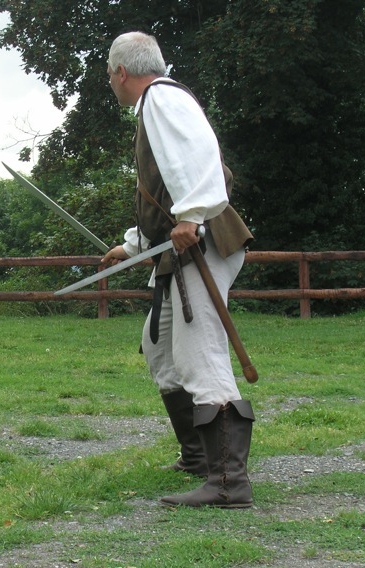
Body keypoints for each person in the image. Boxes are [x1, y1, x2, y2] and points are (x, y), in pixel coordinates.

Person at [103, 32, 255, 507]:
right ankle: (199, 457)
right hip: (181, 244)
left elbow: (201, 160)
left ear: (121, 72)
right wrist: (132, 245)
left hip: (202, 242)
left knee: (199, 354)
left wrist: (191, 217)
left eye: (109, 75)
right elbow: (164, 191)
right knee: (160, 347)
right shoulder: (155, 104)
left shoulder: (161, 97)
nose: (111, 82)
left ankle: (228, 483)